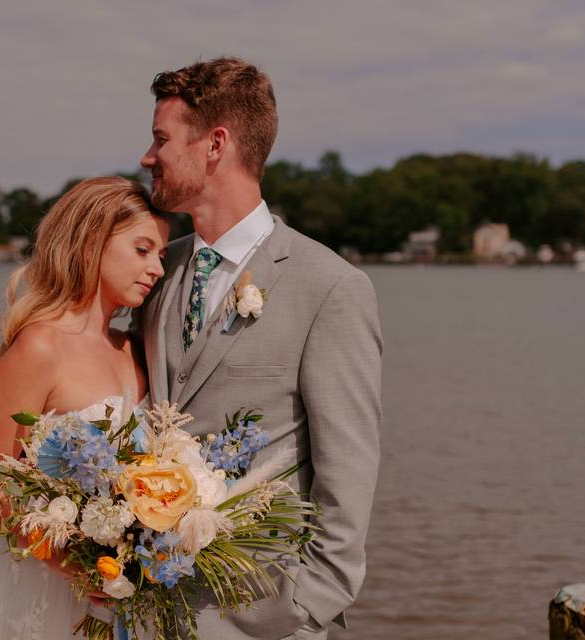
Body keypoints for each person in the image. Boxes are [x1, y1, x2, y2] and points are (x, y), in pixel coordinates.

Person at [136, 57, 383, 639]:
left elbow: (348, 474)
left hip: (266, 618)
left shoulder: (330, 287)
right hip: (147, 606)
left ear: (214, 144)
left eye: (161, 139)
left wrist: (306, 609)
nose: (148, 157)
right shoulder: (156, 272)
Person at [0, 176, 169, 640]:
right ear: (93, 241)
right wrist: (66, 560)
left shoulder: (136, 348)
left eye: (161, 255)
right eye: (142, 249)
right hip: (50, 587)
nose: (156, 268)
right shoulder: (39, 347)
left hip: (130, 590)